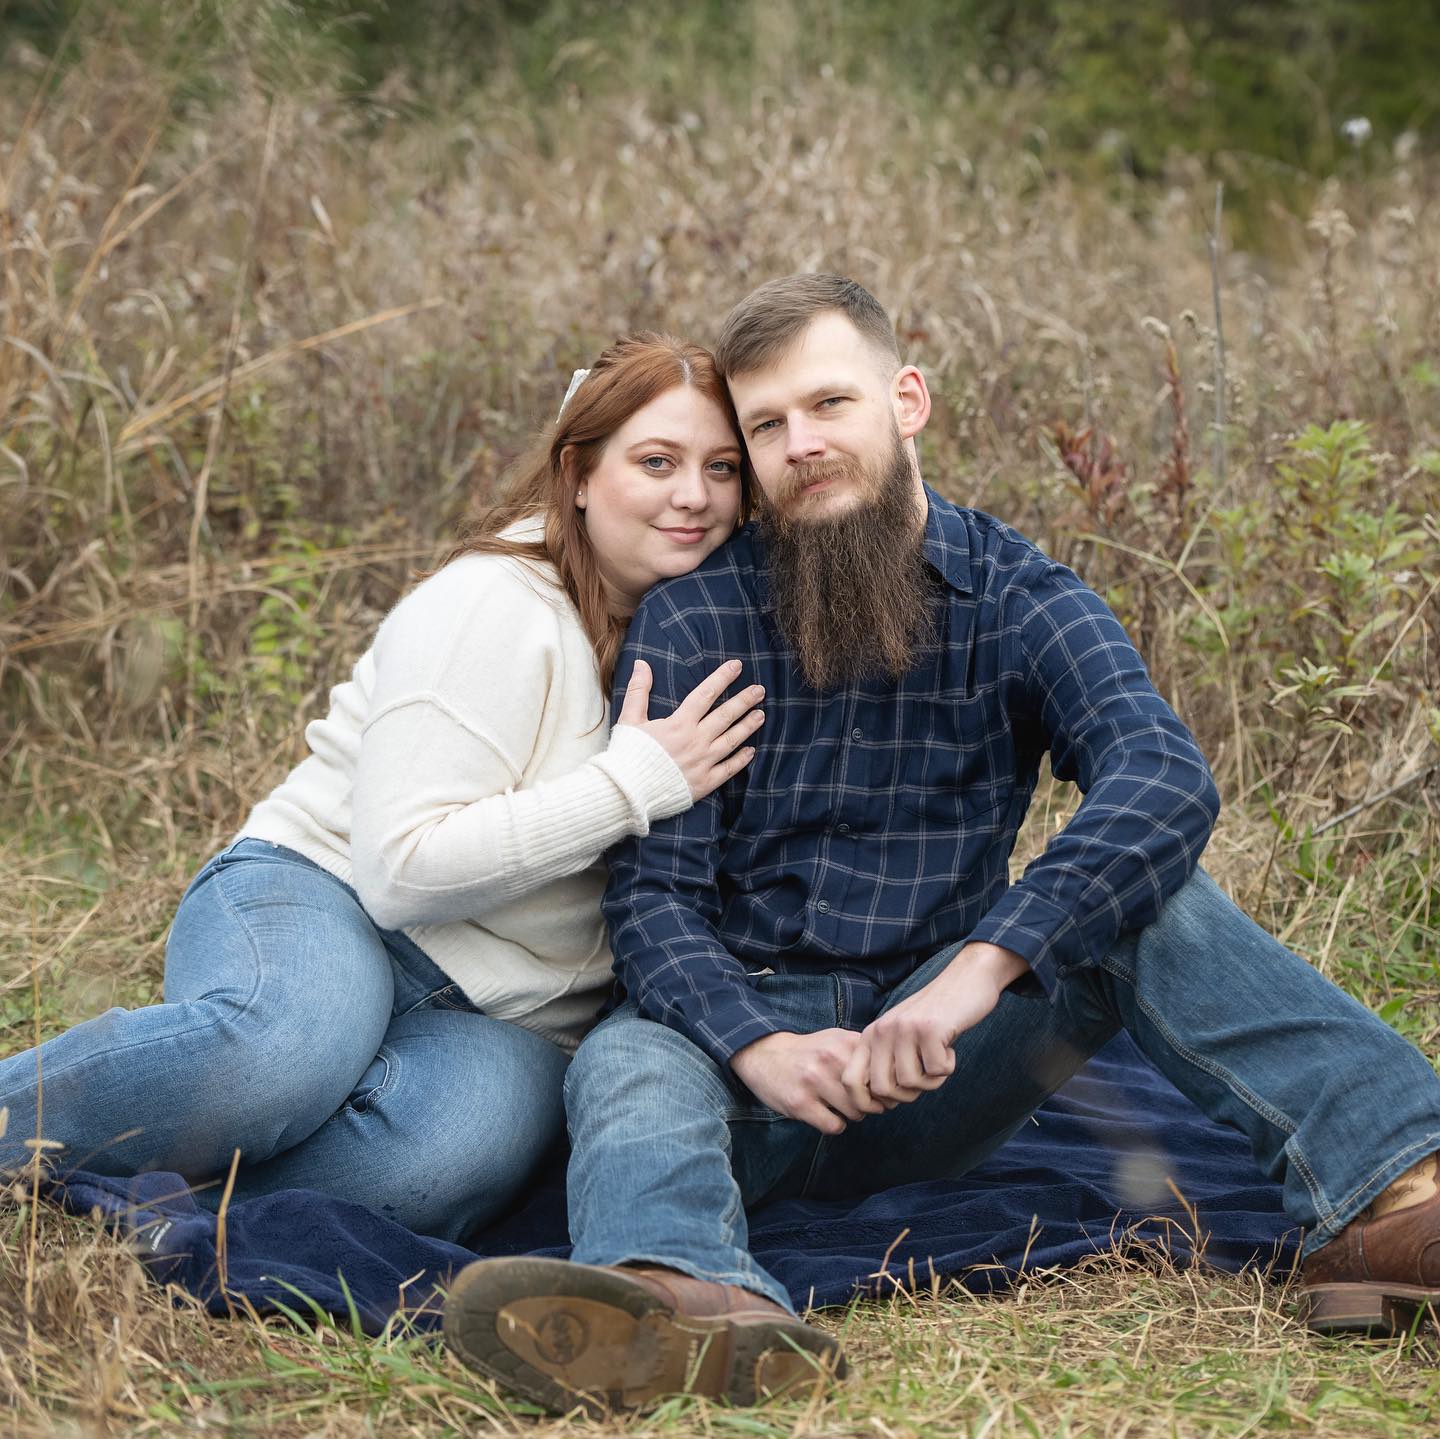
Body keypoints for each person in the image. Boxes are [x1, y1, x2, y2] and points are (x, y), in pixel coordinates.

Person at [441, 275, 1440, 1412]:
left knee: (1148, 895)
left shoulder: (1019, 594)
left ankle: (1394, 1201)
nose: (800, 445)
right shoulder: (700, 612)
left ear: (906, 399)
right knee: (629, 1053)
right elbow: (655, 900)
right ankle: (682, 1296)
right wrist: (757, 1043)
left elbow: (1162, 774)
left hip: (941, 1059)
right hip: (741, 1070)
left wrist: (976, 975)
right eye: (766, 426)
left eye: (830, 405)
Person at [0, 332, 766, 1245]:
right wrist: (635, 781)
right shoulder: (494, 602)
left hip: (512, 1013)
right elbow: (400, 870)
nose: (695, 495)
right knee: (277, 1051)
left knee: (440, 1161)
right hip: (329, 897)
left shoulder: (722, 633)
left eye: (723, 468)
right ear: (578, 473)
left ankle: (154, 1219)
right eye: (656, 460)